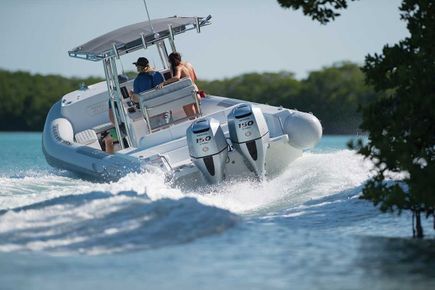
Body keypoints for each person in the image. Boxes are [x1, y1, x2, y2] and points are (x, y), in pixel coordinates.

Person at [157, 52, 200, 116]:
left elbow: (176, 78)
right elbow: (195, 78)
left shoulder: (178, 67)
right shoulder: (188, 65)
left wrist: (164, 83)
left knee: (192, 118)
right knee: (199, 115)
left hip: (188, 95)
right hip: (196, 92)